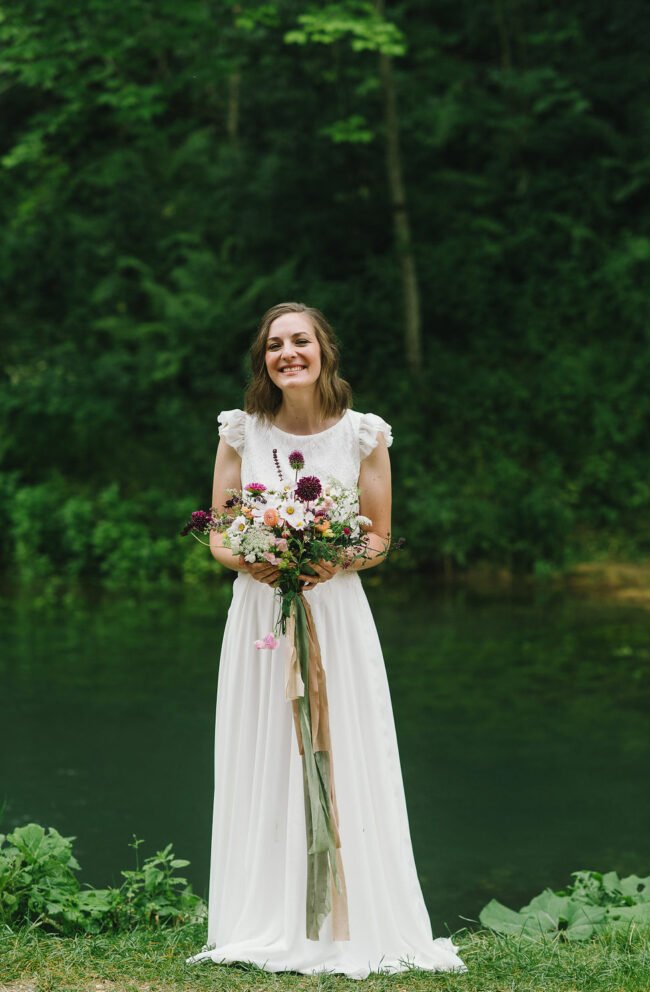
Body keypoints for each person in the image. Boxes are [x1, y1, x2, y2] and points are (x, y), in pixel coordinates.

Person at [186, 301, 467, 979]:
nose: (288, 353)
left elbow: (376, 535)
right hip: (261, 613)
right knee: (266, 747)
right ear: (264, 359)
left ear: (323, 350)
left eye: (300, 341)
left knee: (344, 752)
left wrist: (333, 559)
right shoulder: (241, 431)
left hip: (334, 612)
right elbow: (220, 527)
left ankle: (348, 918)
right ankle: (265, 915)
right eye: (275, 344)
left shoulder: (363, 435)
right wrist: (250, 558)